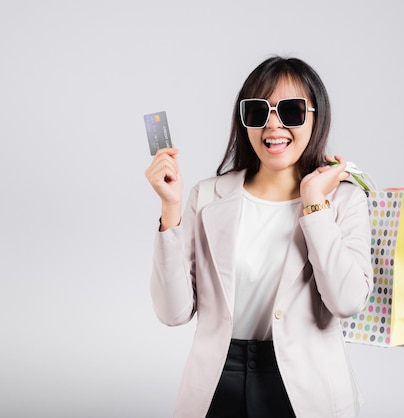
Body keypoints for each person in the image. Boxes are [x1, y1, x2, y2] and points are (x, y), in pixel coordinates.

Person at [144, 56, 373, 418]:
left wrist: (315, 207)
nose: (273, 124)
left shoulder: (343, 199)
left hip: (303, 385)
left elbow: (346, 302)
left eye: (292, 111)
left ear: (317, 117)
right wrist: (170, 208)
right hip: (218, 379)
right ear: (244, 120)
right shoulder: (207, 197)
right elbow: (173, 313)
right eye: (257, 111)